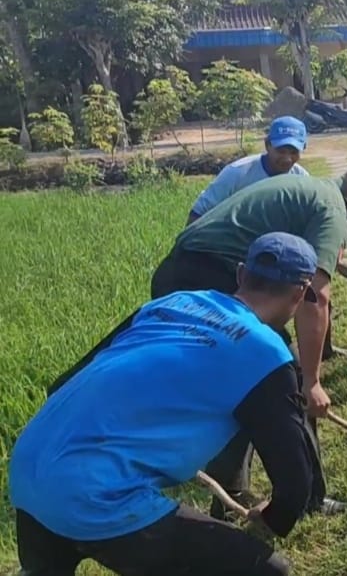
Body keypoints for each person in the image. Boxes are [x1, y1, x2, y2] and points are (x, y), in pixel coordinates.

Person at [9, 232, 324, 576]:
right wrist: (273, 518)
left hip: (28, 469)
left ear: (239, 274)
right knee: (268, 571)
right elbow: (295, 483)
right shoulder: (265, 354)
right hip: (95, 495)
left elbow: (62, 382)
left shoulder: (170, 304)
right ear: (298, 294)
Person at [150, 159, 347, 519]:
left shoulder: (315, 192)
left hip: (181, 272)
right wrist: (312, 381)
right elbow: (315, 298)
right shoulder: (334, 209)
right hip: (209, 273)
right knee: (282, 379)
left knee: (243, 384)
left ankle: (230, 498)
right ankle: (307, 498)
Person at [185, 115, 347, 360]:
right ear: (267, 144)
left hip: (273, 257)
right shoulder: (239, 173)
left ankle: (323, 351)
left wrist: (337, 264)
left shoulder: (301, 178)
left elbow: (310, 236)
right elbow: (198, 214)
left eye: (294, 151)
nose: (287, 158)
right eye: (281, 150)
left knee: (314, 293)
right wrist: (193, 250)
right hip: (232, 252)